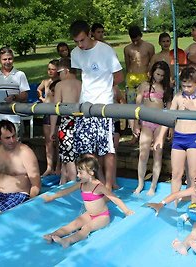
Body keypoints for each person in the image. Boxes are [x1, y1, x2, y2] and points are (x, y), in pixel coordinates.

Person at [69, 20, 123, 190]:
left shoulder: (105, 50)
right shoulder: (75, 53)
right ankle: (96, 183)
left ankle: (109, 183)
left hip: (104, 103)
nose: (80, 45)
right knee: (87, 147)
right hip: (85, 105)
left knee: (108, 148)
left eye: (82, 40)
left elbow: (119, 77)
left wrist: (106, 88)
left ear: (90, 35)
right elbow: (79, 76)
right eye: (76, 41)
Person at [153, 67, 196, 206]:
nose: (186, 89)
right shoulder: (178, 97)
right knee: (176, 173)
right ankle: (173, 202)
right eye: (183, 85)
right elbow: (168, 118)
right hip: (179, 138)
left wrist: (194, 109)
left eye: (189, 86)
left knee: (194, 174)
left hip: (194, 138)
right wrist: (160, 137)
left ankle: (194, 202)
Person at [42, 156, 134, 248]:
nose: (78, 175)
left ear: (91, 172)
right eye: (78, 172)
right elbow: (66, 191)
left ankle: (67, 241)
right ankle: (52, 235)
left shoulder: (98, 187)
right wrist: (52, 197)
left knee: (86, 228)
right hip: (89, 214)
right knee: (74, 224)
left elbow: (114, 198)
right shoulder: (81, 184)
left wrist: (126, 211)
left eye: (80, 173)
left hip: (102, 217)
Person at [133, 61, 172, 195]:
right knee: (143, 154)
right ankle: (140, 183)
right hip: (146, 122)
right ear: (152, 72)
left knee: (157, 154)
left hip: (160, 123)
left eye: (162, 75)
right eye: (157, 74)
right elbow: (136, 106)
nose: (159, 77)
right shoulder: (144, 86)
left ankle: (153, 186)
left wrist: (170, 129)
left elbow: (169, 110)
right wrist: (135, 124)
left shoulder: (166, 89)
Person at [0, 46, 30, 149]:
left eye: (10, 59)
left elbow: (25, 95)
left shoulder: (20, 75)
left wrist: (14, 97)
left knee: (14, 148)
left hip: (13, 116)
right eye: (4, 59)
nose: (8, 61)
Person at [50, 58, 81, 184]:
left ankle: (72, 184)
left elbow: (55, 109)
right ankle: (63, 181)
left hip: (67, 124)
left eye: (60, 72)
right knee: (70, 156)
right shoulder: (81, 84)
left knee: (69, 158)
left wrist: (53, 129)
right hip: (81, 123)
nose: (59, 75)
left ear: (66, 71)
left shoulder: (60, 85)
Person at [124, 26, 155, 143]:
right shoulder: (127, 49)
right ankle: (134, 134)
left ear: (141, 36)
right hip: (132, 78)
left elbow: (153, 63)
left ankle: (148, 135)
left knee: (145, 107)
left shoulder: (149, 47)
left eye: (137, 39)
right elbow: (127, 65)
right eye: (133, 40)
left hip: (144, 78)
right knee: (131, 108)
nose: (135, 42)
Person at [37, 60, 61, 176]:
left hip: (57, 112)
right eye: (49, 69)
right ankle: (49, 166)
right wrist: (41, 97)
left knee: (58, 141)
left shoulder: (60, 83)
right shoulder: (46, 82)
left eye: (53, 69)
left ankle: (58, 166)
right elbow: (38, 89)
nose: (50, 71)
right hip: (47, 112)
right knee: (48, 141)